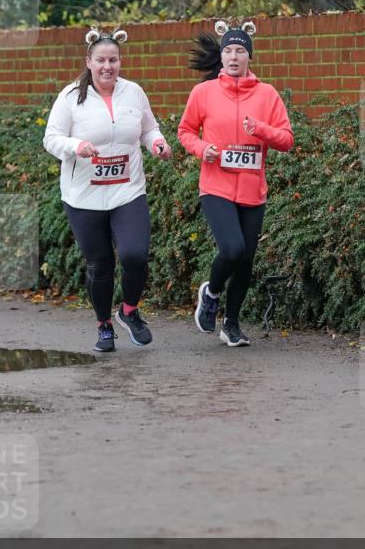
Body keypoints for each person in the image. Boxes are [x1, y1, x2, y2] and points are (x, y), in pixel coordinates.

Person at [43, 27, 172, 352]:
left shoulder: (134, 92)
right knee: (100, 264)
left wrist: (157, 143)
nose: (107, 66)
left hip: (127, 190)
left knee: (134, 255)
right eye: (101, 60)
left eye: (113, 60)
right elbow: (51, 139)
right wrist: (76, 146)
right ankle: (103, 326)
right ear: (89, 61)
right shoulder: (71, 97)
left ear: (120, 62)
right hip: (84, 196)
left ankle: (129, 311)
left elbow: (149, 129)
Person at [177, 20, 293, 347]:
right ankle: (211, 293)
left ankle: (231, 324)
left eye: (240, 50)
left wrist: (260, 129)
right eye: (227, 50)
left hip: (253, 190)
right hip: (216, 186)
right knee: (232, 249)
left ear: (249, 57)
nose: (233, 56)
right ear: (221, 56)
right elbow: (185, 132)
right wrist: (203, 149)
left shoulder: (267, 94)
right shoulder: (203, 93)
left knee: (244, 263)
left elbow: (286, 139)